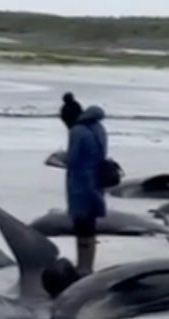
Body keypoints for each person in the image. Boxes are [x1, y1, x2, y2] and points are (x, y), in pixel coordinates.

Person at [65, 105, 109, 276]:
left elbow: (73, 159)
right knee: (90, 225)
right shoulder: (99, 128)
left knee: (81, 224)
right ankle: (88, 265)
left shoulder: (77, 131)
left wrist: (59, 158)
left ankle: (82, 266)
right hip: (97, 180)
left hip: (81, 182)